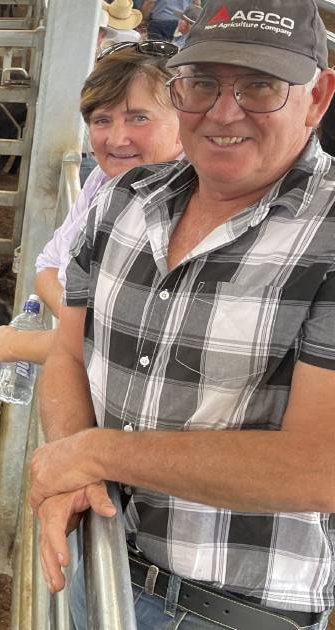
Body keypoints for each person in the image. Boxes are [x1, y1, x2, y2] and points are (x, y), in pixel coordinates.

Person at [32, 0, 335, 628]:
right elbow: (67, 350)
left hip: (222, 610)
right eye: (202, 84)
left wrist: (98, 455)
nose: (225, 112)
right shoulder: (122, 198)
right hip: (97, 560)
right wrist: (70, 469)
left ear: (318, 97)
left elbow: (321, 464)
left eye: (260, 86)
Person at [0, 41, 182, 369]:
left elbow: (131, 343)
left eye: (139, 118)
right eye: (102, 120)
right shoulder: (103, 180)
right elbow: (48, 263)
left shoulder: (185, 202)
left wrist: (21, 344)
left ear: (185, 119)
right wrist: (79, 326)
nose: (117, 139)